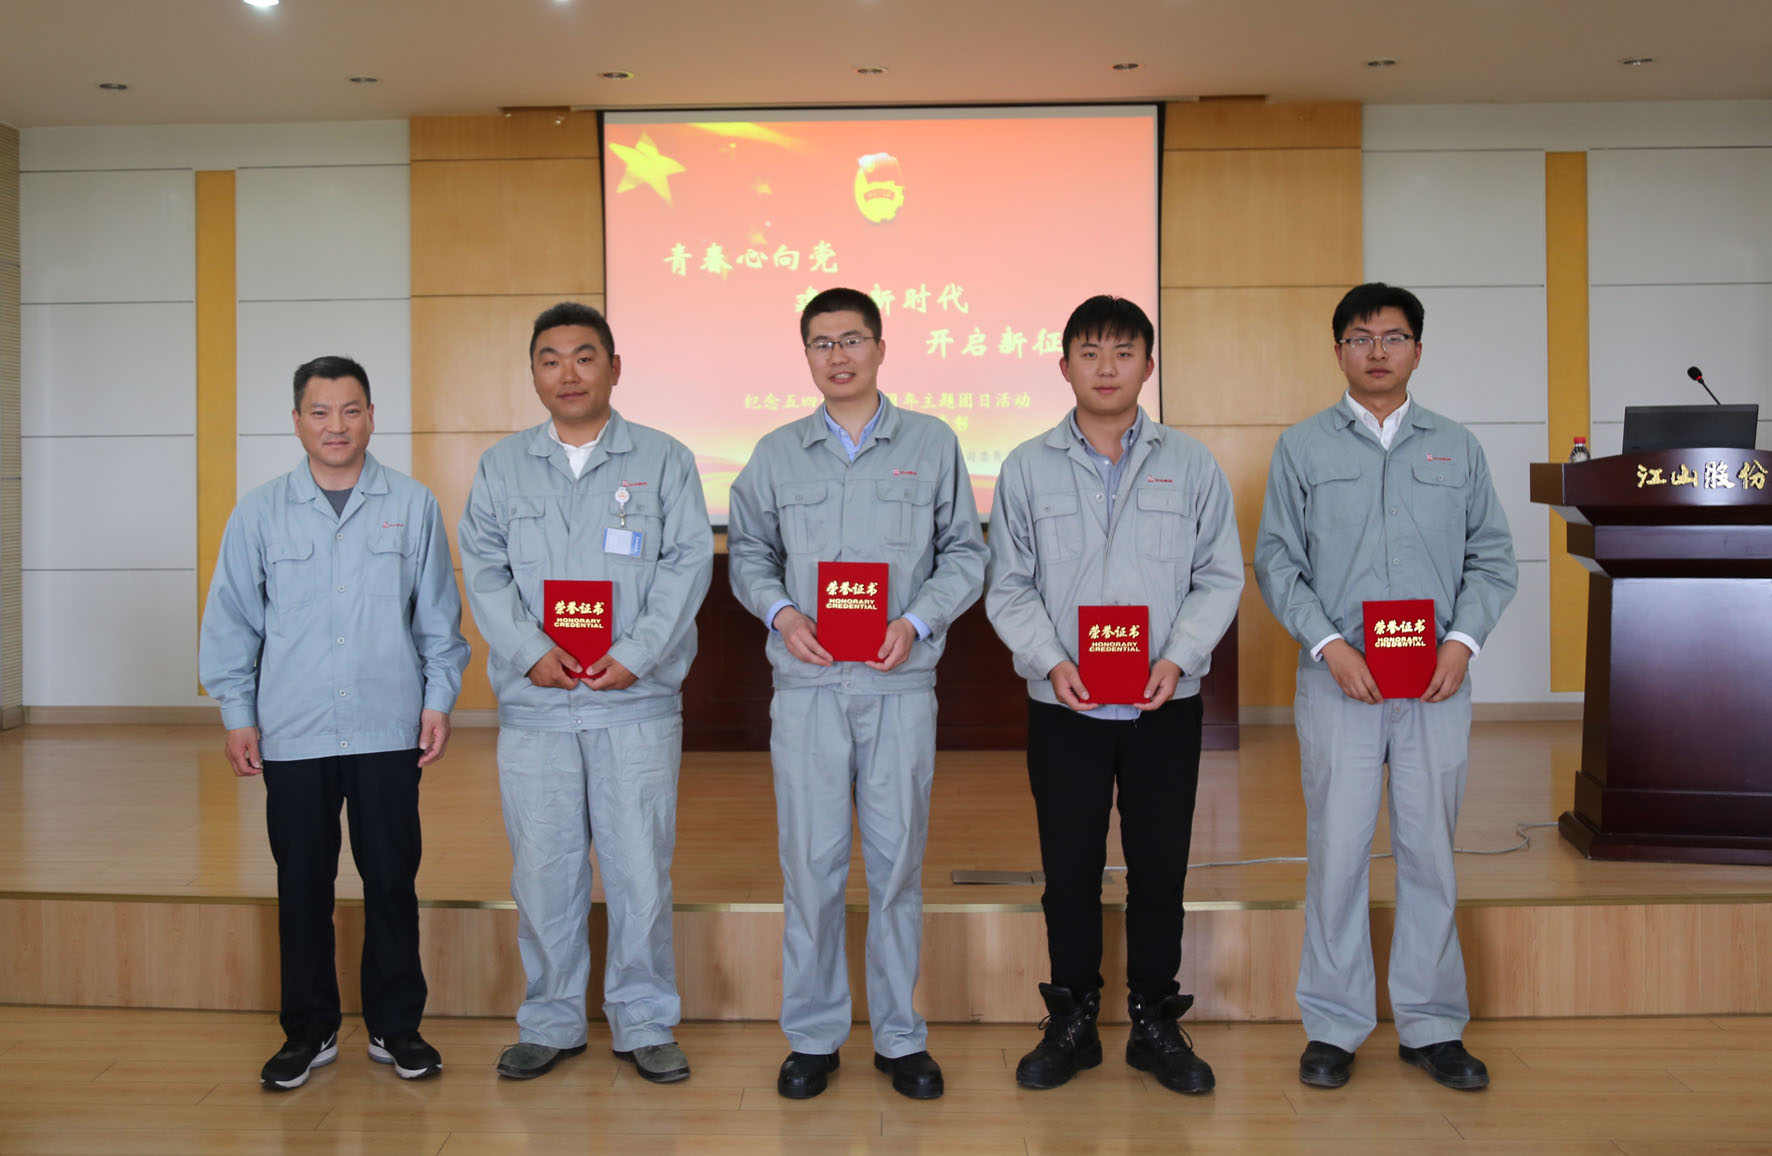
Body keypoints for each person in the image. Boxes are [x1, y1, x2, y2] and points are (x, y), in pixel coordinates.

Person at [1253, 282, 1516, 1091]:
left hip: (1435, 683)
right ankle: (1333, 1026)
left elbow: (1493, 559)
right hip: (1341, 682)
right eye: (1360, 338)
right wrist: (1329, 646)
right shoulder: (1303, 448)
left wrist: (1462, 644)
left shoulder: (1457, 448)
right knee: (1337, 854)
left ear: (1418, 351)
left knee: (1430, 852)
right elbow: (1277, 561)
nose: (1377, 351)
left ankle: (1432, 1025)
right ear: (1338, 350)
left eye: (1393, 337)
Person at [727, 287, 987, 1101]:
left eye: (851, 340)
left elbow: (965, 554)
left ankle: (900, 1036)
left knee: (896, 864)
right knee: (810, 865)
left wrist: (916, 620)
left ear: (880, 347)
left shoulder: (932, 443)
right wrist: (781, 612)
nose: (837, 356)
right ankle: (812, 1037)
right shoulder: (776, 453)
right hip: (807, 685)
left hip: (897, 683)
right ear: (805, 354)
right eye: (821, 343)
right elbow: (749, 554)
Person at [985, 295, 1242, 1095]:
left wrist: (1180, 656)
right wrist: (1049, 660)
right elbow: (1009, 584)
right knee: (1069, 870)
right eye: (1090, 352)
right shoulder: (1026, 466)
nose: (1106, 367)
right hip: (1066, 705)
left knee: (1160, 869)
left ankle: (1154, 1022)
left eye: (1123, 353)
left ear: (1148, 366)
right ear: (1063, 365)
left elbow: (1219, 576)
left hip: (1165, 702)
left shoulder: (1191, 464)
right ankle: (1073, 1022)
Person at [457, 302, 713, 1085]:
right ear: (534, 373)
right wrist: (530, 651)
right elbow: (484, 568)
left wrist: (637, 655)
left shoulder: (664, 460)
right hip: (537, 704)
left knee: (639, 868)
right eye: (550, 359)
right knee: (544, 869)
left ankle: (645, 1020)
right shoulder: (503, 466)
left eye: (583, 356)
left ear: (614, 367)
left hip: (634, 703)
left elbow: (686, 565)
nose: (567, 373)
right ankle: (552, 1019)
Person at [199, 355, 470, 1091]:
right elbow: (232, 621)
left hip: (387, 726)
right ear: (296, 422)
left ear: (371, 417)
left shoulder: (411, 504)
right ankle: (309, 1029)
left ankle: (395, 1026)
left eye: (350, 410)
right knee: (302, 884)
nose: (336, 426)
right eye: (319, 412)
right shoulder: (260, 512)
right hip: (294, 729)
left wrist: (439, 699)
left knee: (391, 879)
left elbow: (437, 619)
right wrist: (237, 714)